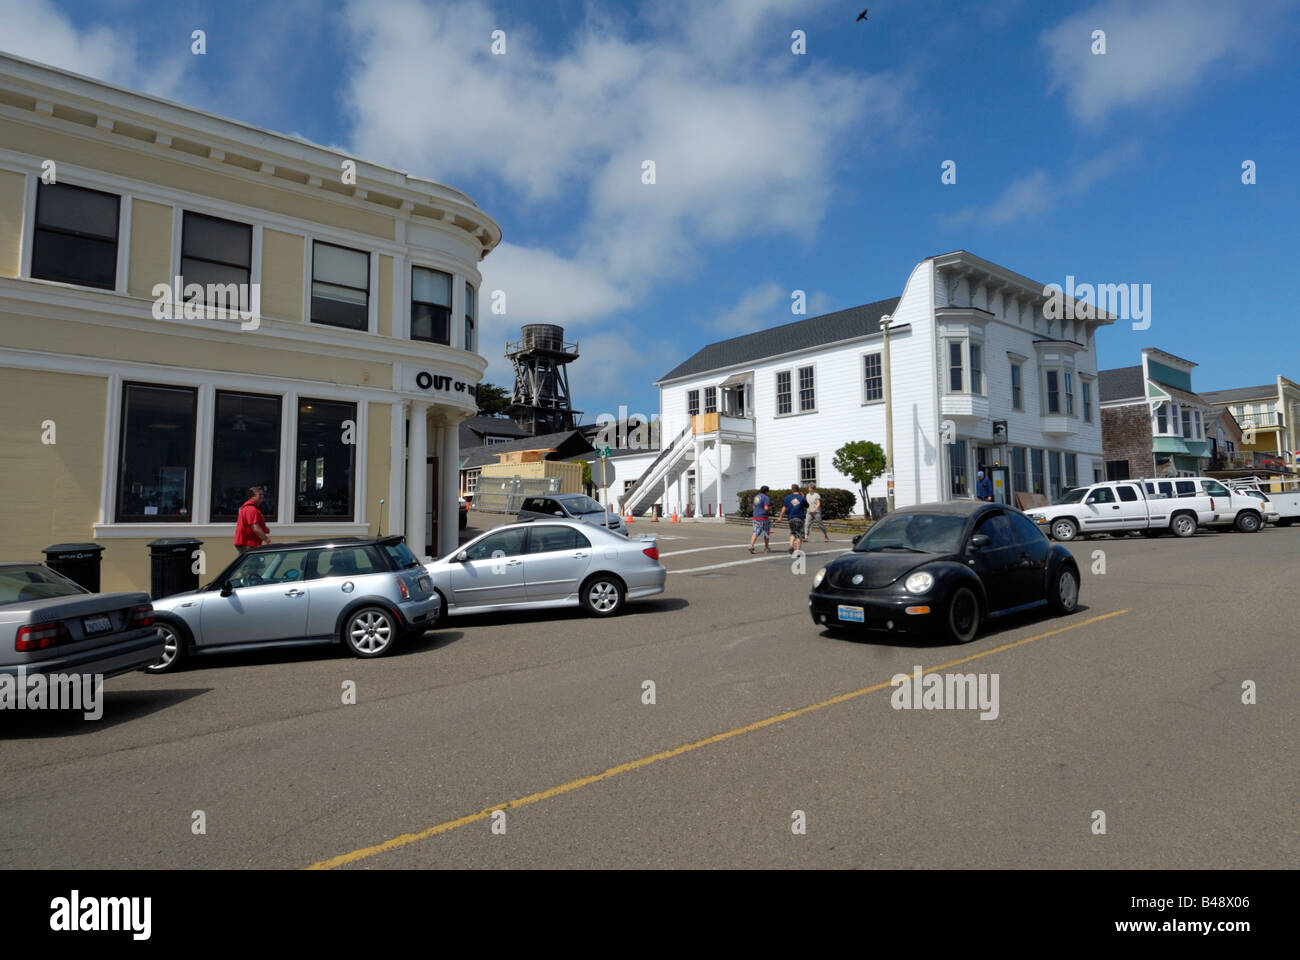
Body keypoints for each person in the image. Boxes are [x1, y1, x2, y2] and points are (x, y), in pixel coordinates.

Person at [234, 485, 271, 553]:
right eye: (259, 495)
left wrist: (264, 529)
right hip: (248, 544)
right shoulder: (251, 509)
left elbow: (253, 525)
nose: (262, 496)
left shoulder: (251, 508)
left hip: (249, 544)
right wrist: (268, 541)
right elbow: (255, 528)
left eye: (262, 494)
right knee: (256, 563)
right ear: (253, 496)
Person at [777, 483, 807, 554]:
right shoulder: (801, 498)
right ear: (798, 489)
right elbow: (807, 505)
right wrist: (803, 496)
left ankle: (791, 546)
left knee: (792, 533)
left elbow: (784, 507)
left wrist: (780, 516)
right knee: (799, 535)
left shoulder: (788, 497)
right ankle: (797, 551)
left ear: (792, 489)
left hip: (791, 518)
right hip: (799, 518)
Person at [748, 485, 772, 553]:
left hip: (755, 516)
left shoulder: (756, 497)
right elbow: (766, 508)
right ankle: (766, 548)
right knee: (766, 533)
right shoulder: (766, 497)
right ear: (766, 491)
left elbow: (753, 507)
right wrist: (770, 508)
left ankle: (751, 546)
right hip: (763, 517)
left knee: (755, 532)